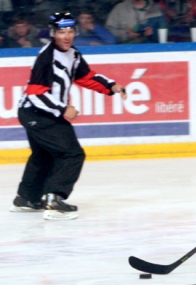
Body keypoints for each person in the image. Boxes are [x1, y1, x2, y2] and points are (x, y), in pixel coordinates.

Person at [11, 12, 127, 220]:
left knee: (43, 155)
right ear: (53, 33)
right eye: (61, 32)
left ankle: (27, 198)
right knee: (72, 154)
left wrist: (111, 86)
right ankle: (54, 199)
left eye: (70, 31)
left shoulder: (73, 54)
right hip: (36, 112)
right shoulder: (47, 57)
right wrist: (63, 109)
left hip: (36, 112)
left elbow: (86, 77)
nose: (67, 36)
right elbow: (35, 93)